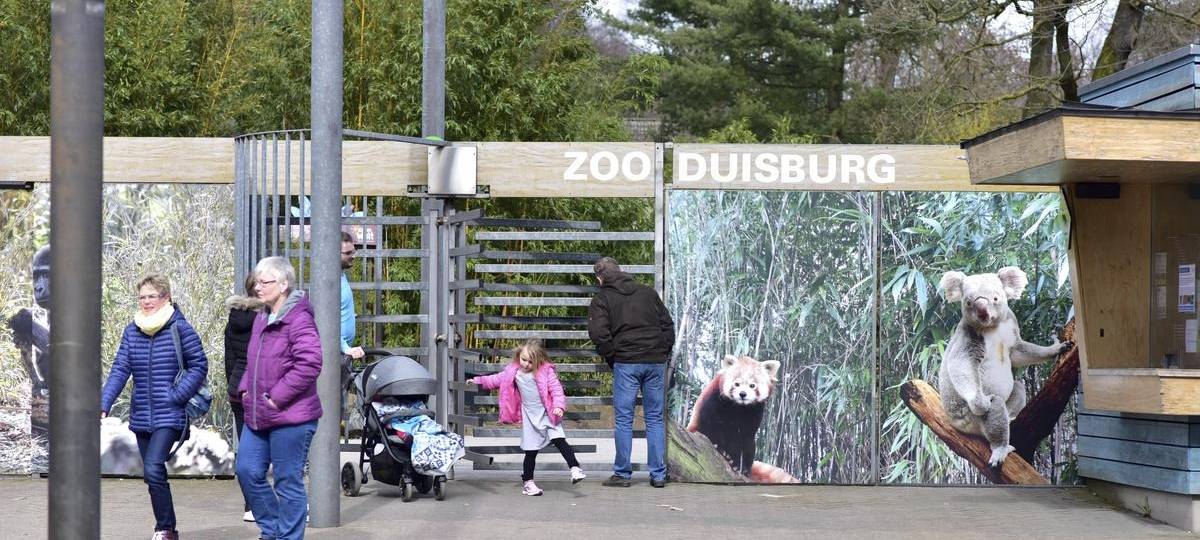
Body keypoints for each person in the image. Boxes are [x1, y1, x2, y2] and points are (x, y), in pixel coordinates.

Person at [100, 273, 209, 540]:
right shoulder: (132, 330)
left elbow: (199, 365)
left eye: (152, 296)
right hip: (141, 415)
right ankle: (167, 526)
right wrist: (103, 403)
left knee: (152, 468)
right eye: (142, 297)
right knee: (152, 475)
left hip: (170, 414)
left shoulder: (179, 327)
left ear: (166, 298)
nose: (147, 301)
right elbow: (120, 369)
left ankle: (165, 529)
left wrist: (177, 396)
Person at [236, 256, 322, 540]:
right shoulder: (263, 316)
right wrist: (246, 389)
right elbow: (254, 361)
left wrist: (276, 397)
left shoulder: (298, 317)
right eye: (257, 281)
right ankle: (273, 531)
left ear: (284, 285)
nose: (258, 287)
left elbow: (310, 363)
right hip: (258, 413)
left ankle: (287, 537)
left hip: (291, 417)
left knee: (287, 482)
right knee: (247, 471)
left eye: (265, 282)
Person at [587, 257, 675, 488]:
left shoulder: (602, 298)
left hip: (626, 362)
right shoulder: (647, 293)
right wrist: (662, 349)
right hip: (655, 361)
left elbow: (598, 333)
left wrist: (613, 357)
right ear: (621, 270)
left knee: (624, 419)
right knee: (654, 418)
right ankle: (658, 475)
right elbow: (667, 324)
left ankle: (623, 474)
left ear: (599, 277)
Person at [470, 339, 586, 495]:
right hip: (530, 416)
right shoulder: (513, 371)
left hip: (548, 413)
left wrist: (559, 406)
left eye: (530, 362)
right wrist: (477, 381)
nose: (525, 364)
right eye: (523, 359)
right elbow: (494, 379)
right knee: (531, 451)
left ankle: (575, 469)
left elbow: (557, 390)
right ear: (519, 355)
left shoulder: (546, 371)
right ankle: (528, 482)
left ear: (539, 361)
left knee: (560, 440)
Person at [223, 272, 264, 523]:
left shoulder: (235, 317)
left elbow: (229, 358)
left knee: (247, 449)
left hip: (238, 388)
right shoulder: (267, 317)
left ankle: (250, 505)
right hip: (263, 389)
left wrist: (233, 384)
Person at [340, 231, 364, 362]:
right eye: (348, 253)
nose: (353, 256)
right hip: (334, 352)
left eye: (353, 252)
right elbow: (322, 323)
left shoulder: (341, 275)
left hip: (342, 352)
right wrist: (345, 348)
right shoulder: (328, 284)